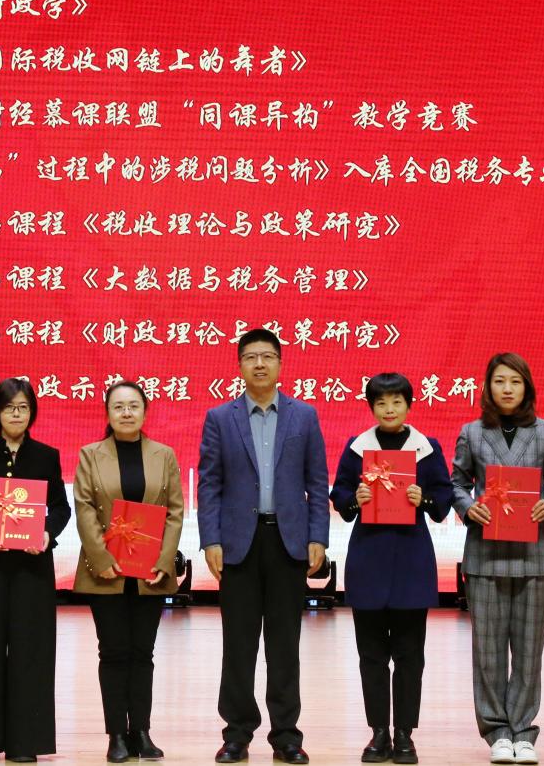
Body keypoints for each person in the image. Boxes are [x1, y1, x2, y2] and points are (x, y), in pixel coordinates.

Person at [198, 328, 330, 765]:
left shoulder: (304, 416)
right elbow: (209, 484)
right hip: (238, 544)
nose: (259, 364)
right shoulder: (220, 417)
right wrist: (211, 539)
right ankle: (236, 735)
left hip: (287, 542)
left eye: (267, 356)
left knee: (284, 645)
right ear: (239, 365)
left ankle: (286, 736)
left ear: (280, 364)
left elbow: (316, 481)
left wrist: (317, 536)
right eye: (251, 357)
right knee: (238, 646)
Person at [329, 372, 453, 765]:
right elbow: (340, 495)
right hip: (368, 558)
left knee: (410, 655)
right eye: (381, 402)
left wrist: (423, 498)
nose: (389, 409)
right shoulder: (357, 447)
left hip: (411, 560)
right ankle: (378, 732)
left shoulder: (426, 448)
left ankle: (404, 735)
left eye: (397, 401)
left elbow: (444, 499)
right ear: (371, 407)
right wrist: (356, 497)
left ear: (409, 405)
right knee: (371, 655)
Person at [452, 353, 544, 765]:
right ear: (487, 387)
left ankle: (523, 730)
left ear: (527, 388)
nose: (507, 388)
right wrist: (469, 507)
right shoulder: (471, 432)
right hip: (485, 554)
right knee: (488, 651)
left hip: (535, 554)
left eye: (515, 382)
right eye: (500, 381)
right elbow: (457, 483)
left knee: (529, 650)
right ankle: (497, 732)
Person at [0, 378, 72, 763]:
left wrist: (47, 532)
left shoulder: (47, 456)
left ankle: (25, 743)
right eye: (9, 407)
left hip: (32, 565)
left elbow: (61, 508)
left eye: (23, 407)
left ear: (31, 412)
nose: (16, 414)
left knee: (31, 649)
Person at [73, 381, 185, 763]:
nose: (126, 412)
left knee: (143, 653)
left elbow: (174, 511)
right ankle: (116, 736)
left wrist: (163, 561)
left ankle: (141, 731)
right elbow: (85, 508)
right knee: (113, 652)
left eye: (133, 406)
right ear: (107, 413)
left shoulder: (163, 455)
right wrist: (102, 558)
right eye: (118, 406)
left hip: (150, 573)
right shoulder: (91, 455)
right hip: (106, 572)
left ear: (145, 411)